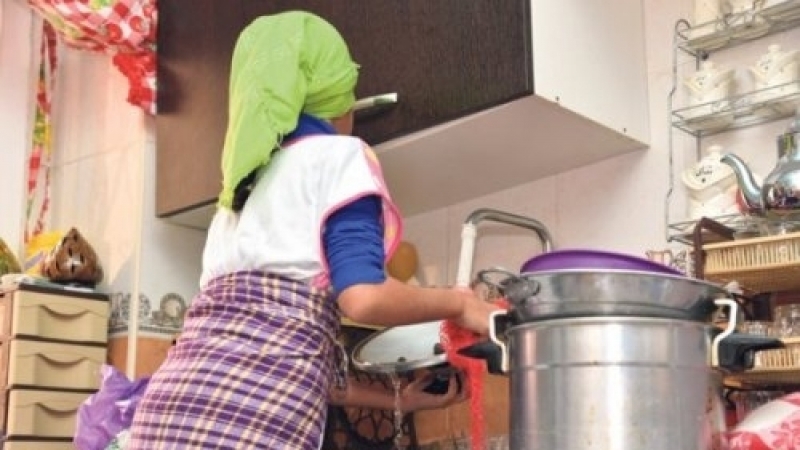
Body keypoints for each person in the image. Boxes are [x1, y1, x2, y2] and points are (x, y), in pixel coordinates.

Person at [128, 10, 499, 450]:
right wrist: (460, 303)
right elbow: (365, 297)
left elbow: (283, 360)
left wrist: (400, 400)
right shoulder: (338, 156)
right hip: (249, 427)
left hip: (162, 416)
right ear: (337, 99)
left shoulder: (237, 193)